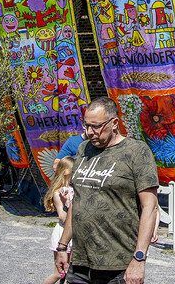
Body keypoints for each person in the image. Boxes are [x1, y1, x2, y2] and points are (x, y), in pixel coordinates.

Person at [54, 97, 159, 284]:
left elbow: (149, 207)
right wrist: (62, 247)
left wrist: (139, 258)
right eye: (86, 126)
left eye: (96, 126)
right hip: (80, 261)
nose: (89, 132)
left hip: (118, 263)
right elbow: (77, 202)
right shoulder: (83, 149)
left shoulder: (136, 151)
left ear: (114, 123)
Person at [44, 156, 75, 284]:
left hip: (75, 236)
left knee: (71, 273)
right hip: (63, 234)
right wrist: (68, 203)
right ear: (67, 171)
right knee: (59, 273)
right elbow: (62, 216)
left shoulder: (75, 189)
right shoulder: (58, 192)